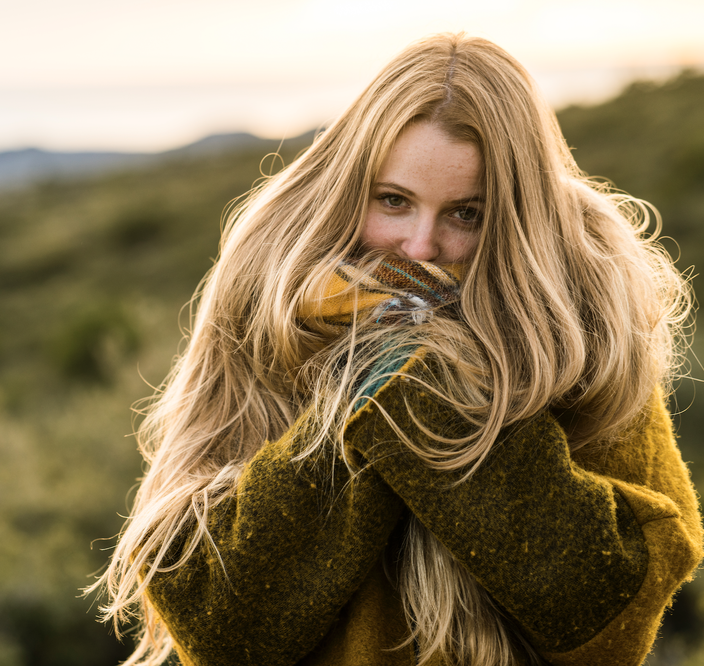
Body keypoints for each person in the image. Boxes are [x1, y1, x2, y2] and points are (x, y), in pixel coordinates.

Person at [89, 33, 703, 666]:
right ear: (352, 186)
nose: (418, 247)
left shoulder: (580, 323)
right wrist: (358, 396)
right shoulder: (267, 299)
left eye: (466, 214)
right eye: (394, 201)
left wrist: (426, 375)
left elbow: (612, 610)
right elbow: (217, 624)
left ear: (516, 218)